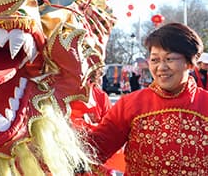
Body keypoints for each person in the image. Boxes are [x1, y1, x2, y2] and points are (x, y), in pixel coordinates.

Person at [88, 22, 208, 175]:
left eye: (169, 59)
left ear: (190, 63)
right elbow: (96, 149)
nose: (161, 67)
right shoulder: (130, 104)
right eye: (155, 60)